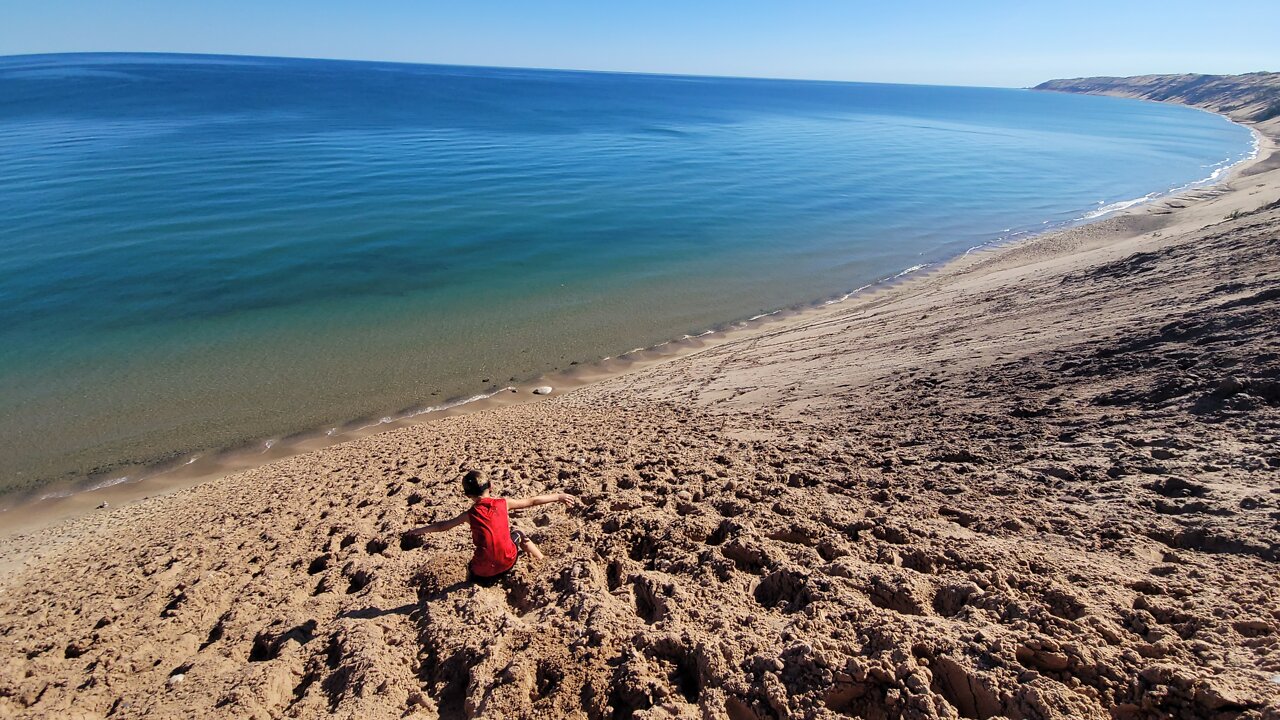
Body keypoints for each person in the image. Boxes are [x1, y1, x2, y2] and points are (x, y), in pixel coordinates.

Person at [406, 469, 578, 583]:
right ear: (491, 486)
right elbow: (532, 501)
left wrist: (417, 531)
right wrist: (559, 496)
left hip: (482, 574)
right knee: (519, 534)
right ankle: (541, 560)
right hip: (509, 562)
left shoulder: (469, 515)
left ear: (467, 495)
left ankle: (471, 583)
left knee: (470, 567)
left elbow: (442, 526)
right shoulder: (504, 503)